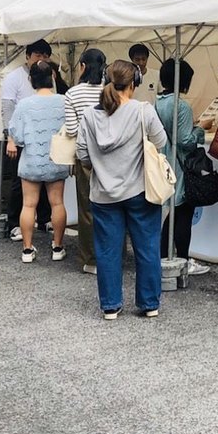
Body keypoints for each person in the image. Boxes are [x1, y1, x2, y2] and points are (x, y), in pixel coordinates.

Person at [77, 60, 168, 319]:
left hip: (103, 194)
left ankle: (110, 306)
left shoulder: (90, 115)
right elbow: (160, 141)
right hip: (140, 190)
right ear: (133, 83)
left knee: (107, 250)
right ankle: (149, 303)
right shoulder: (143, 110)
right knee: (147, 247)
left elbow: (82, 154)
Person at [7, 61, 70, 263]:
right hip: (56, 159)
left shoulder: (24, 105)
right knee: (57, 203)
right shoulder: (63, 101)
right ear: (52, 77)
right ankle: (58, 247)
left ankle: (27, 250)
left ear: (30, 80)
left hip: (32, 159)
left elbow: (16, 135)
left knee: (28, 205)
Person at [154, 58, 210, 276]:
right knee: (183, 213)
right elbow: (186, 140)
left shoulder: (158, 102)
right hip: (181, 164)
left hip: (164, 160)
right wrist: (200, 129)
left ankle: (163, 256)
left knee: (171, 213)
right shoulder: (182, 105)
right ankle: (183, 260)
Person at [1, 39, 52, 241]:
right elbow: (7, 109)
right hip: (21, 138)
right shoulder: (14, 77)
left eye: (45, 56)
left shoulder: (49, 76)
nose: (41, 59)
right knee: (18, 183)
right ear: (28, 56)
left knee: (47, 179)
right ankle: (14, 223)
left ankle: (44, 219)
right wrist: (10, 138)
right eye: (37, 55)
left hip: (44, 137)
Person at [64, 48, 107, 275]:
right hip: (113, 156)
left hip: (86, 156)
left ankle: (91, 260)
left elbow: (71, 129)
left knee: (88, 208)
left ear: (82, 66)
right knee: (113, 208)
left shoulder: (73, 93)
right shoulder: (111, 91)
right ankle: (114, 256)